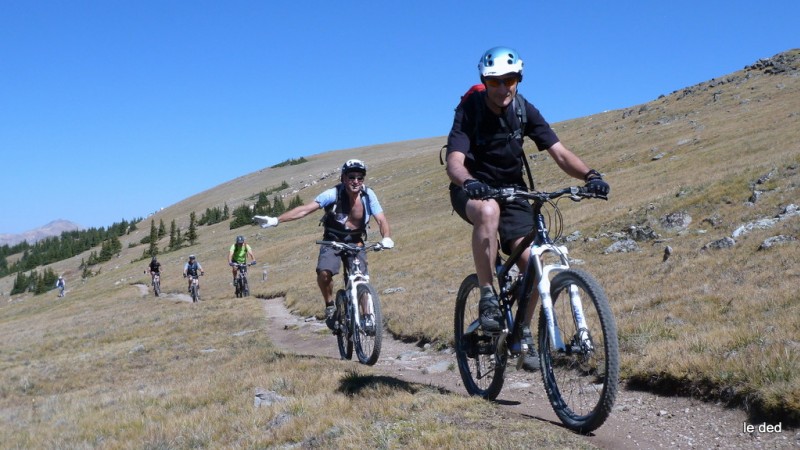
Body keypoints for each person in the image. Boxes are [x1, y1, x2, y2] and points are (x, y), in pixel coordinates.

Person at [444, 46, 610, 372]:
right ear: (484, 81)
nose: (503, 87)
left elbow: (559, 152)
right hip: (472, 190)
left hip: (514, 193)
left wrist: (591, 175)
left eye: (510, 79)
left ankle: (521, 333)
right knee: (488, 212)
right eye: (495, 81)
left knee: (533, 265)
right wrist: (469, 182)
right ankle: (488, 296)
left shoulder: (523, 109)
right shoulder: (470, 109)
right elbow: (454, 162)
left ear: (518, 79)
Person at [253, 159, 395, 325]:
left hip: (355, 241)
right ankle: (329, 305)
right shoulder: (332, 194)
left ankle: (368, 318)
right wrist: (276, 220)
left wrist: (386, 237)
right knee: (324, 273)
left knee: (362, 279)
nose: (356, 181)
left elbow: (381, 219)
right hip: (332, 240)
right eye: (351, 177)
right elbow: (305, 210)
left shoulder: (368, 195)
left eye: (360, 177)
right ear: (343, 178)